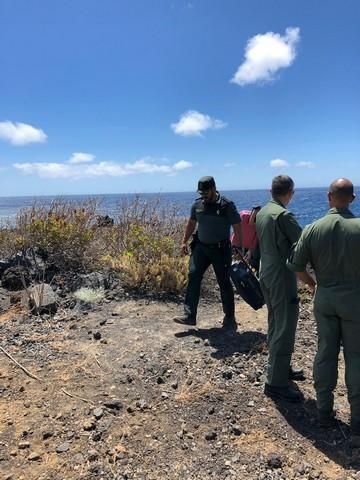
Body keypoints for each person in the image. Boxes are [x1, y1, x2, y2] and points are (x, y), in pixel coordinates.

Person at [287, 178, 360, 443]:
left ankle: (324, 413)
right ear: (352, 199)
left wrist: (313, 284)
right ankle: (357, 421)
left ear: (329, 197)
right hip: (355, 300)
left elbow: (296, 265)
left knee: (325, 352)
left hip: (325, 296)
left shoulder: (313, 228)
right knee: (356, 357)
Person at [256, 175, 304, 402]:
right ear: (290, 193)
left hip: (266, 273)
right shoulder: (283, 215)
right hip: (281, 276)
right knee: (285, 325)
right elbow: (303, 244)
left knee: (275, 322)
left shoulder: (263, 212)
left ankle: (280, 367)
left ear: (270, 190)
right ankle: (275, 383)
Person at [174, 176, 242, 330]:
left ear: (213, 188)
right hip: (201, 248)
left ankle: (230, 318)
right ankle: (189, 316)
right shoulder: (197, 205)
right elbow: (191, 223)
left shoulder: (226, 205)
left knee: (224, 281)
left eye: (206, 192)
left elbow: (237, 226)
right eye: (201, 192)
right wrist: (184, 241)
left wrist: (238, 246)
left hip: (221, 249)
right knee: (193, 275)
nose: (203, 195)